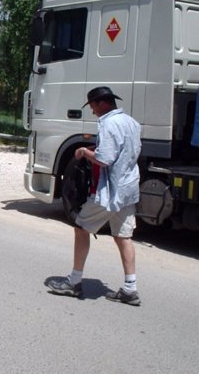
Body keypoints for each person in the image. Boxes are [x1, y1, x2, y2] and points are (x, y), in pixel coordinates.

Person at [48, 86, 142, 306]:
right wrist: (97, 148)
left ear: (101, 103)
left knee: (81, 228)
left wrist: (84, 152)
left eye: (92, 106)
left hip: (110, 190)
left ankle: (74, 282)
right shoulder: (132, 123)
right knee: (123, 236)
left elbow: (105, 159)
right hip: (128, 189)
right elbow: (125, 151)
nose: (92, 111)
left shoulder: (109, 123)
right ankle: (130, 289)